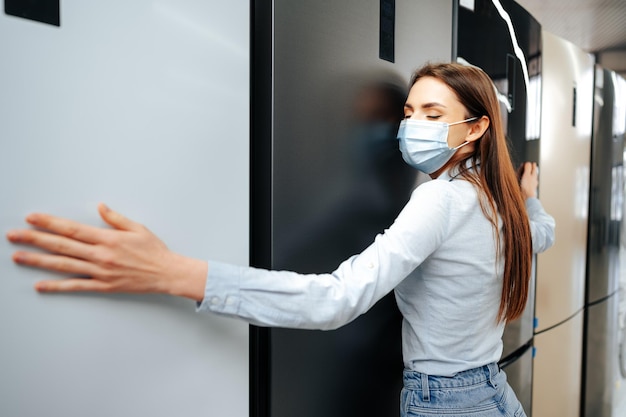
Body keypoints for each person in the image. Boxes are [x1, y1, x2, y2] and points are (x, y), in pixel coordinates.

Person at [6, 62, 555, 417]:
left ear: (477, 127)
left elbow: (337, 299)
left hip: (447, 405)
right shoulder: (497, 196)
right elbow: (540, 235)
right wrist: (529, 195)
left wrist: (175, 272)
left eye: (433, 114)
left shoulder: (440, 199)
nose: (411, 126)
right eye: (409, 112)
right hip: (492, 394)